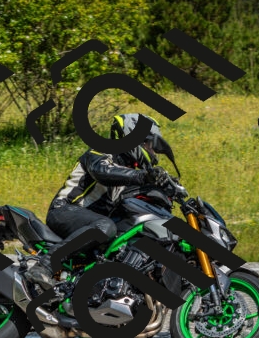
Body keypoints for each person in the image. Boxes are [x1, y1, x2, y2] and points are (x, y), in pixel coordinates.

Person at [24, 113, 179, 289]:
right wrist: (143, 176)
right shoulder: (102, 151)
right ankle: (45, 265)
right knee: (106, 227)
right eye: (148, 144)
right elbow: (102, 171)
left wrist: (168, 187)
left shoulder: (132, 170)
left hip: (92, 222)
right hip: (65, 210)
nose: (151, 151)